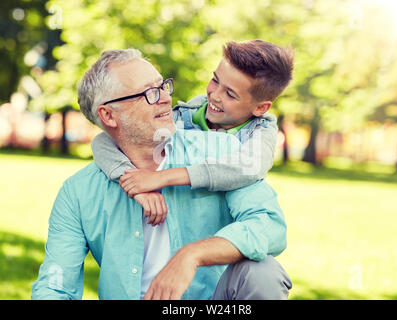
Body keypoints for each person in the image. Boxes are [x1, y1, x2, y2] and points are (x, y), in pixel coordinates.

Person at [31, 48, 291, 300]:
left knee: (262, 272)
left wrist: (192, 254)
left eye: (162, 86)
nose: (166, 98)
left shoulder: (224, 151)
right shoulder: (78, 192)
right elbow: (55, 286)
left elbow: (270, 227)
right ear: (108, 116)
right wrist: (128, 178)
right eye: (149, 94)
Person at [92, 40, 294, 225]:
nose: (214, 95)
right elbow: (104, 142)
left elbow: (248, 167)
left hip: (227, 227)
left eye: (230, 94)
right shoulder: (184, 116)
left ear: (260, 108)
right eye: (215, 81)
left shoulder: (260, 132)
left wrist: (163, 177)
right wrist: (131, 182)